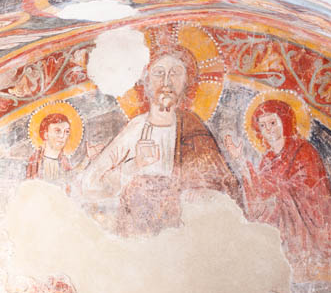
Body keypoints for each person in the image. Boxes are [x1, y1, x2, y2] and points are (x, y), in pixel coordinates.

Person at [81, 46, 240, 233]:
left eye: (175, 73)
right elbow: (89, 184)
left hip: (183, 235)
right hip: (136, 233)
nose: (167, 82)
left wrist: (201, 194)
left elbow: (228, 191)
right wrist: (134, 166)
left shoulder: (194, 128)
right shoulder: (135, 129)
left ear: (187, 82)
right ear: (147, 82)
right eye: (158, 73)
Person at [225, 98, 331, 276]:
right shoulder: (267, 159)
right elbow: (259, 193)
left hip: (306, 223)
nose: (268, 128)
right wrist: (240, 160)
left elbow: (310, 189)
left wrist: (278, 192)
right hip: (279, 220)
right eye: (263, 125)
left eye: (272, 122)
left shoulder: (303, 150)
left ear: (284, 122)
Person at [26, 112, 74, 183]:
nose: (62, 136)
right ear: (46, 134)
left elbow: (72, 180)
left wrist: (87, 159)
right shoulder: (35, 161)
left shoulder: (65, 163)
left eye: (66, 132)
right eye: (57, 131)